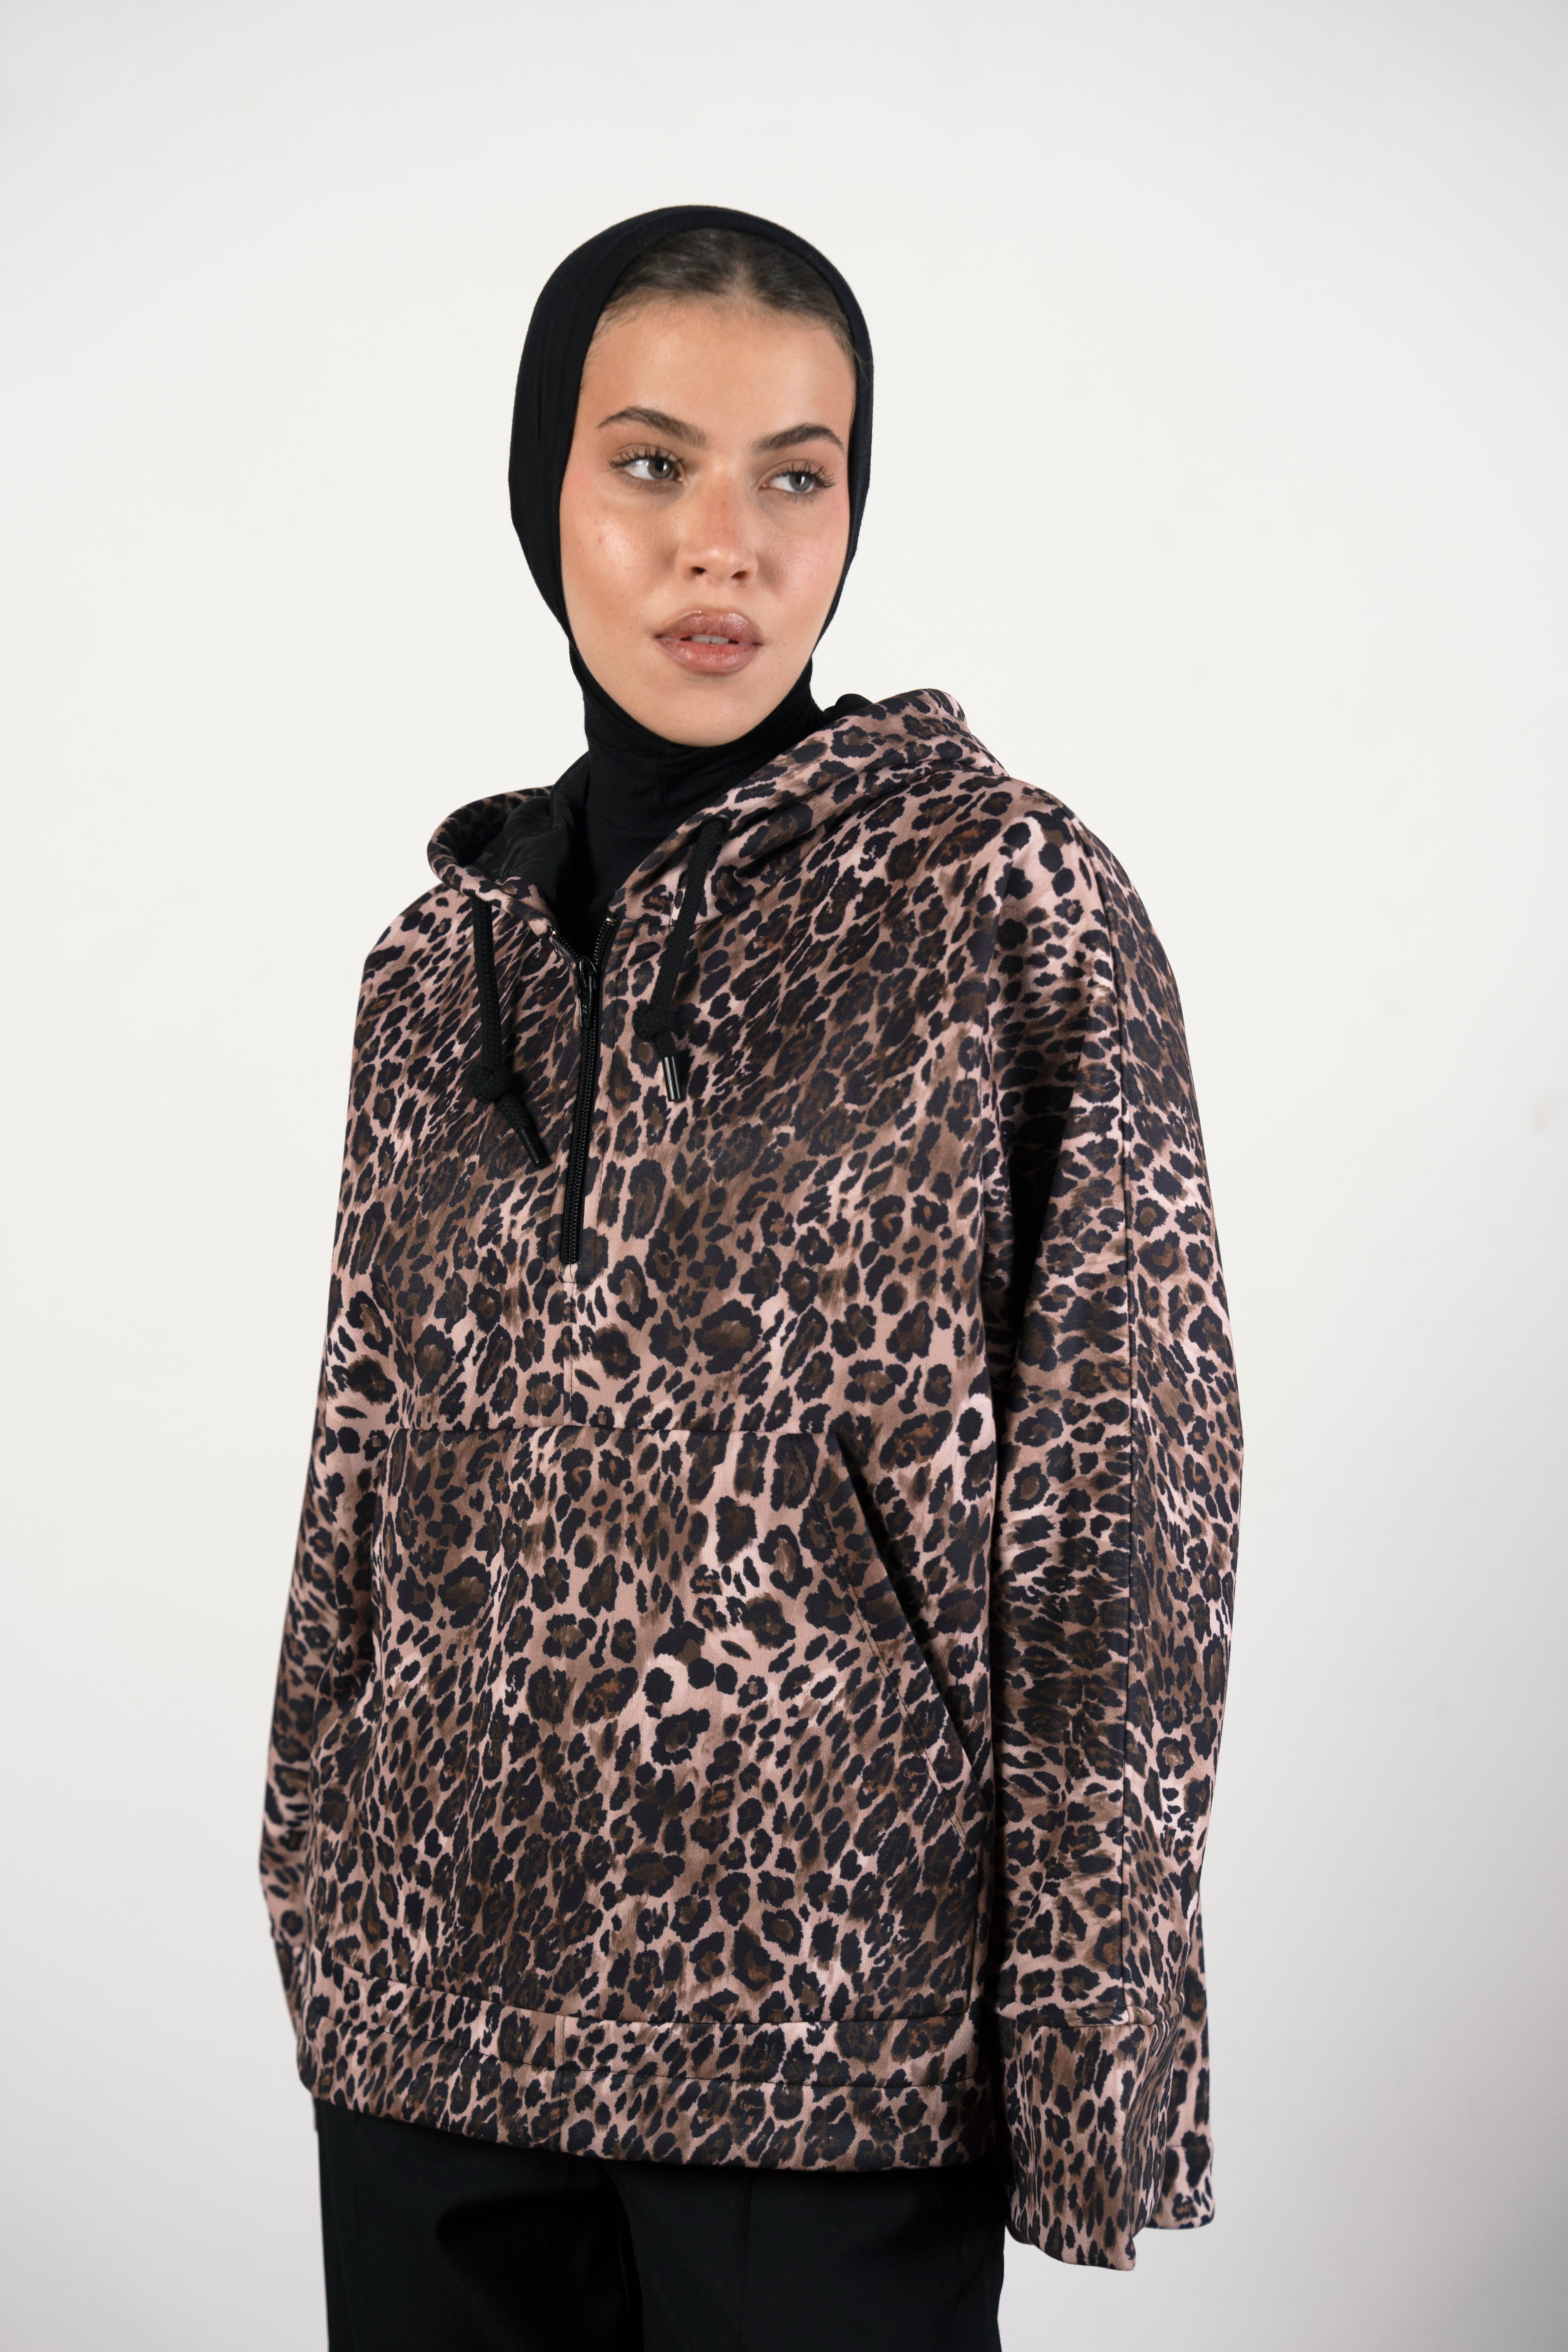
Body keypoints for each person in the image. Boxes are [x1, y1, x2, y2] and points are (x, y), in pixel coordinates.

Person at [261, 204, 1242, 2352]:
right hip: (430, 2042)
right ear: (542, 491)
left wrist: (1091, 2048)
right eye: (652, 464)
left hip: (822, 2054)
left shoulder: (1003, 900)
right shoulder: (434, 966)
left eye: (798, 477)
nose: (727, 547)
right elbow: (356, 1483)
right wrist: (318, 1907)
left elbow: (1128, 1506)